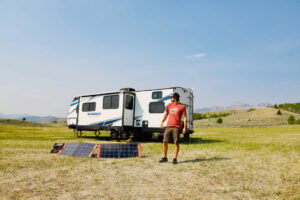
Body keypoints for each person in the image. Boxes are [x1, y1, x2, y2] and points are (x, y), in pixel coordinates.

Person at [159, 92, 187, 164]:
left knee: (176, 143)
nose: (170, 98)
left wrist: (185, 127)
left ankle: (175, 158)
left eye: (172, 97)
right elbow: (166, 114)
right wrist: (162, 121)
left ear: (175, 98)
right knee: (165, 141)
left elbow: (184, 117)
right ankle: (165, 157)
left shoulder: (182, 107)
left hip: (177, 127)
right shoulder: (169, 105)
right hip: (168, 126)